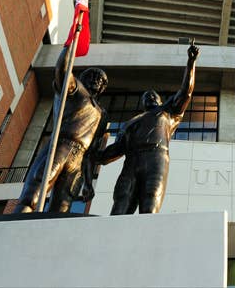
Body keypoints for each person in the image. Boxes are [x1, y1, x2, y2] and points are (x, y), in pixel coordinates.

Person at [98, 42, 199, 214]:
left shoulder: (167, 112)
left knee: (150, 201)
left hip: (156, 157)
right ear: (142, 103)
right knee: (121, 201)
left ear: (160, 101)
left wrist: (191, 64)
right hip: (132, 160)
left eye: (154, 95)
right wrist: (91, 155)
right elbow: (115, 150)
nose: (150, 96)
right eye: (146, 96)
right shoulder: (129, 123)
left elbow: (185, 92)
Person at [14, 47, 108, 213]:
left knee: (62, 206)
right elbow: (62, 71)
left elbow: (91, 152)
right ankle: (16, 225)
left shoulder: (101, 114)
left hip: (78, 158)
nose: (97, 80)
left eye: (101, 79)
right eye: (93, 76)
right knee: (37, 187)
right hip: (62, 145)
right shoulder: (76, 90)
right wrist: (69, 47)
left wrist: (88, 181)